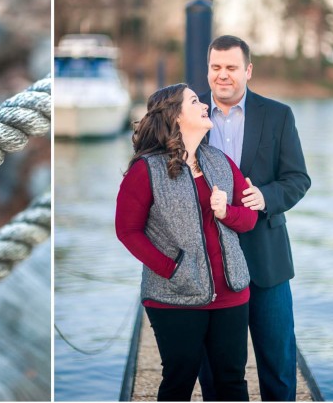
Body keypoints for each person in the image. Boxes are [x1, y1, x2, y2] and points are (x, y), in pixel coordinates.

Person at [116, 83, 259, 401]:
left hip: (231, 293)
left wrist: (226, 212)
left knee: (232, 380)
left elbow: (249, 219)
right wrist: (171, 269)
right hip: (174, 297)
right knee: (179, 380)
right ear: (175, 115)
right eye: (195, 101)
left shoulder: (221, 162)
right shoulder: (146, 170)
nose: (205, 105)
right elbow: (127, 231)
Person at [198, 35, 311, 401]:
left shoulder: (278, 115)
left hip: (267, 257)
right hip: (211, 259)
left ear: (248, 70)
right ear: (208, 69)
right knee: (217, 369)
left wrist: (265, 197)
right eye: (216, 67)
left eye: (231, 67)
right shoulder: (189, 115)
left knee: (277, 361)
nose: (223, 75)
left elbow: (298, 179)